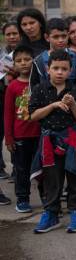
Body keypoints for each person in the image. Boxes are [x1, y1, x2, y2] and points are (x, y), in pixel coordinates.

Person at [29, 50, 76, 233]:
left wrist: (73, 105)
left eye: (64, 69)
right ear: (48, 69)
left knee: (74, 176)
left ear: (70, 71)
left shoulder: (75, 90)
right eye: (56, 68)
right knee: (51, 179)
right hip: (49, 139)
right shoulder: (40, 89)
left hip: (71, 138)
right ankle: (51, 213)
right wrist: (53, 105)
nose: (60, 72)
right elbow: (33, 115)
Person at [4, 45, 42, 213]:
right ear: (14, 64)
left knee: (42, 169)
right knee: (21, 170)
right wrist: (9, 138)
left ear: (33, 61)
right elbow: (8, 114)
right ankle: (22, 199)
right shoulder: (12, 87)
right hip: (20, 136)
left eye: (27, 59)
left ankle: (47, 198)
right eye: (19, 61)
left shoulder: (40, 83)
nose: (23, 63)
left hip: (39, 134)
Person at [29, 18, 76, 91]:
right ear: (47, 37)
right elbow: (33, 90)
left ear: (68, 35)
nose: (60, 40)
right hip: (46, 102)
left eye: (64, 36)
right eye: (56, 37)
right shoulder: (38, 62)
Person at [0, 21, 21, 180]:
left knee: (17, 133)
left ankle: (17, 168)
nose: (12, 37)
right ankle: (1, 166)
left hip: (20, 98)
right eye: (9, 34)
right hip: (2, 97)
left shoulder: (25, 52)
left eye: (15, 33)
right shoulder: (2, 54)